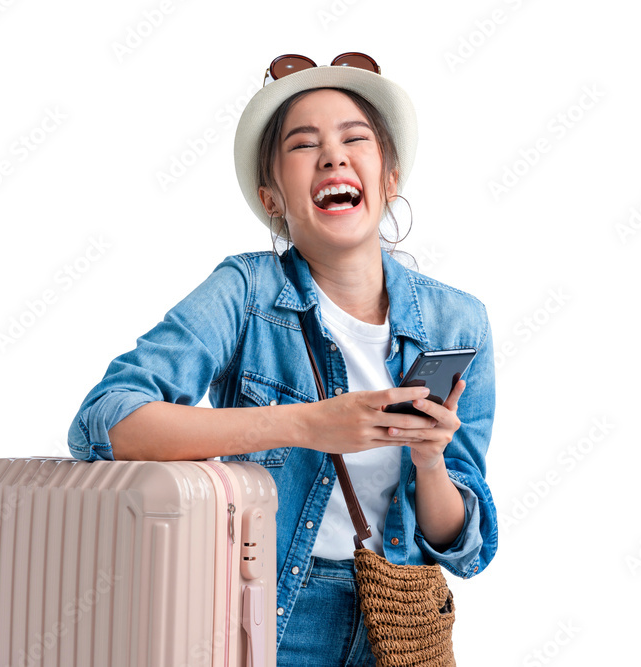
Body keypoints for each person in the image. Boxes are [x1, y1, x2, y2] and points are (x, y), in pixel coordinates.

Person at [67, 52, 497, 666]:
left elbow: (460, 544)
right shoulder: (244, 292)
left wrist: (430, 464)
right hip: (268, 616)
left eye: (356, 138)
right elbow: (106, 422)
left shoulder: (458, 322)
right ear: (272, 195)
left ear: (390, 176)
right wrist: (304, 424)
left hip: (401, 627)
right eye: (304, 145)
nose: (333, 155)